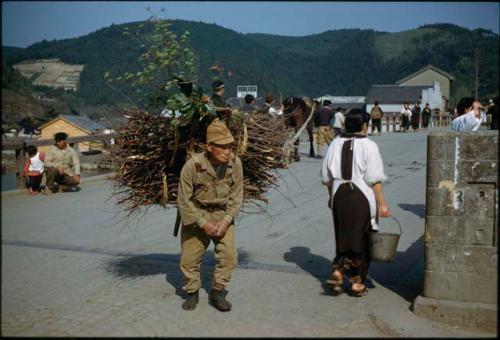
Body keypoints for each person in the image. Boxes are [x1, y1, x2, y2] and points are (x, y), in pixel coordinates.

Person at [320, 109, 391, 297]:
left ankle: (338, 270)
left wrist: (331, 197)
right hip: (361, 197)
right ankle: (356, 283)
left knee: (343, 237)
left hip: (339, 195)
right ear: (364, 126)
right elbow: (374, 179)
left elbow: (326, 177)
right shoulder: (369, 146)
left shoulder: (335, 144)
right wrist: (382, 204)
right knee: (362, 240)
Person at [177, 119, 244, 312]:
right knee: (189, 260)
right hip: (197, 215)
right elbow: (184, 200)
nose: (227, 151)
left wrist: (227, 220)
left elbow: (237, 195)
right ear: (209, 147)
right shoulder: (193, 166)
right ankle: (192, 292)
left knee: (230, 257)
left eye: (230, 146)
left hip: (223, 214)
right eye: (222, 147)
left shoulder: (235, 164)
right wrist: (202, 223)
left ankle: (217, 291)